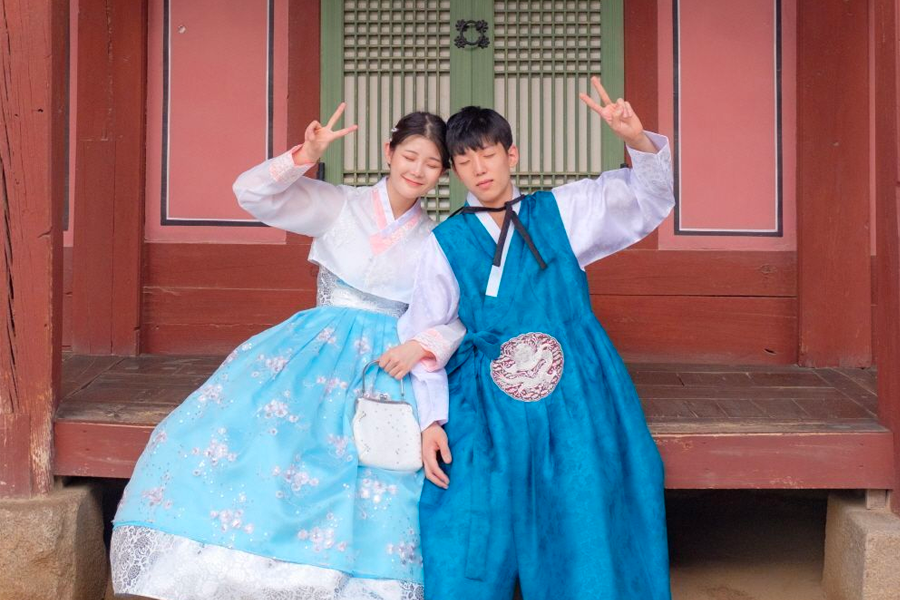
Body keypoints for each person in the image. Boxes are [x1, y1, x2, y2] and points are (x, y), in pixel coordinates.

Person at [110, 105, 462, 600]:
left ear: (443, 172)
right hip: (313, 351)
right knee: (255, 438)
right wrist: (305, 156)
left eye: (431, 163)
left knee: (377, 471)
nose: (417, 170)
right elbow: (250, 192)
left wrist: (421, 344)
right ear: (389, 152)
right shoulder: (339, 205)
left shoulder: (437, 241)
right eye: (409, 156)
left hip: (387, 365)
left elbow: (452, 318)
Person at [399, 78, 674, 599]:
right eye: (463, 161)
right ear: (453, 172)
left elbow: (650, 198)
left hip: (575, 380)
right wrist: (431, 419)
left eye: (488, 154)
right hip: (488, 392)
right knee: (469, 506)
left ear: (512, 155)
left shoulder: (564, 210)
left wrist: (637, 141)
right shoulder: (445, 242)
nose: (479, 169)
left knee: (585, 500)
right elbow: (428, 330)